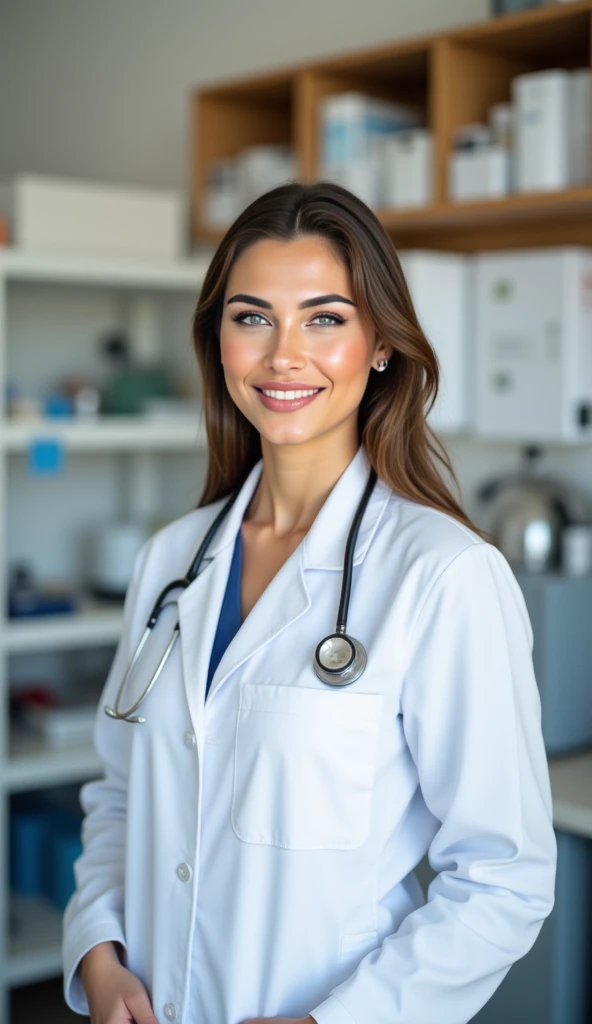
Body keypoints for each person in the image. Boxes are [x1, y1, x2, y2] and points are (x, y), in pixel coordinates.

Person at [62, 181, 556, 1024]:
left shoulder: (442, 576)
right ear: (217, 341)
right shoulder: (171, 562)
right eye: (251, 317)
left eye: (325, 318)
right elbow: (119, 795)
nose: (282, 355)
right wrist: (98, 953)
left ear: (379, 346)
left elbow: (503, 878)